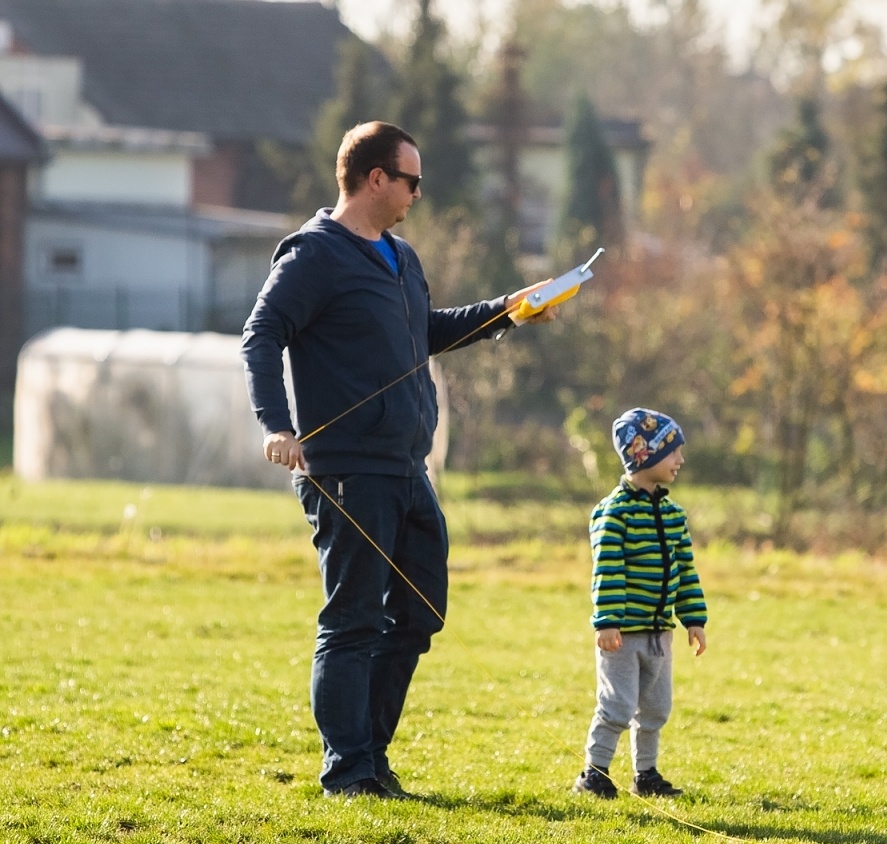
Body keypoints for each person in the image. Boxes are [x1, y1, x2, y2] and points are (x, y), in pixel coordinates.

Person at [240, 121, 548, 799]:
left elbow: (428, 332)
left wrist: (507, 312)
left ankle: (370, 758)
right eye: (412, 180)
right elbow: (262, 334)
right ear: (375, 178)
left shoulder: (402, 258)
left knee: (419, 615)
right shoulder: (314, 255)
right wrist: (276, 425)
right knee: (351, 620)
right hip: (346, 470)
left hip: (408, 467)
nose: (417, 192)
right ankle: (347, 771)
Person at [574, 408, 709, 799]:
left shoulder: (673, 516)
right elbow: (608, 570)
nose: (680, 460)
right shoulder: (613, 513)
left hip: (659, 633)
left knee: (656, 708)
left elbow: (685, 569)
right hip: (622, 633)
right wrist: (607, 621)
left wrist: (693, 619)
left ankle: (645, 774)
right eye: (673, 452)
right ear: (643, 455)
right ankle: (593, 772)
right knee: (617, 705)